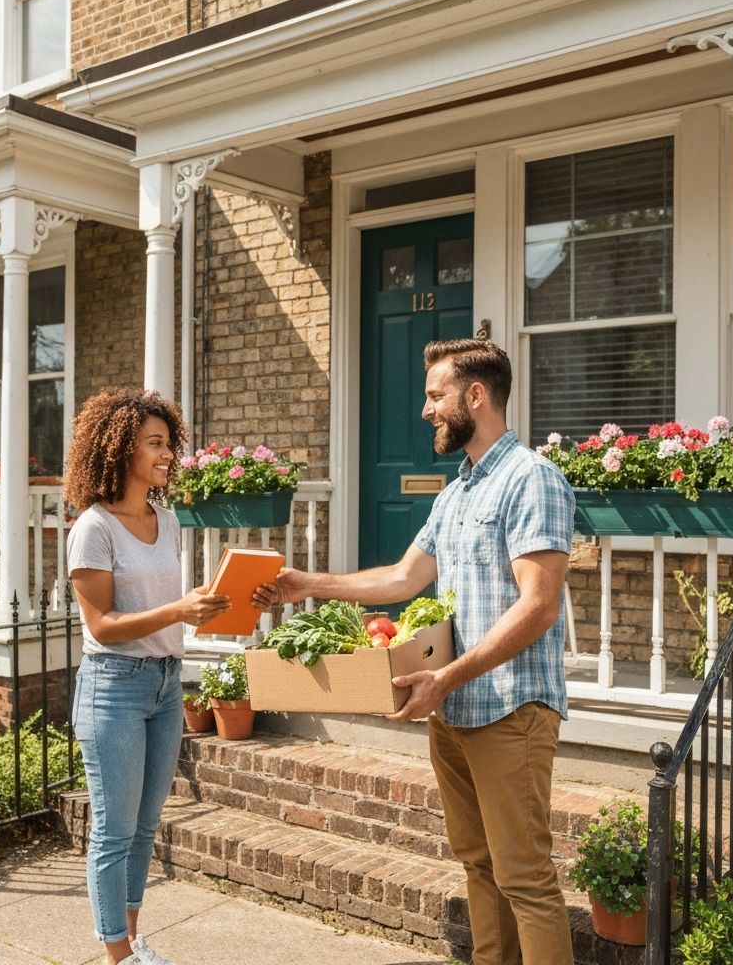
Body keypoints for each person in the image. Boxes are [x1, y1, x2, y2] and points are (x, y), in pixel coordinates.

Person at [272, 339, 575, 965]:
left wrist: (448, 675)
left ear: (475, 395)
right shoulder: (456, 491)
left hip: (509, 709)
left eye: (435, 395)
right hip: (453, 711)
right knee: (479, 865)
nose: (424, 410)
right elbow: (402, 578)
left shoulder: (531, 479)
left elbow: (539, 606)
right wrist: (308, 584)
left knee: (525, 878)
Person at [65, 388, 232, 965]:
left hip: (166, 682)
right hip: (114, 686)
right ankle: (117, 957)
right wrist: (177, 612)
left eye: (168, 444)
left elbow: (169, 604)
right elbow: (104, 625)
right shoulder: (93, 527)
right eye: (154, 444)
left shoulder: (167, 518)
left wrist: (214, 604)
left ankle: (132, 943)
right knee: (112, 832)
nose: (166, 455)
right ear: (120, 449)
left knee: (144, 827)